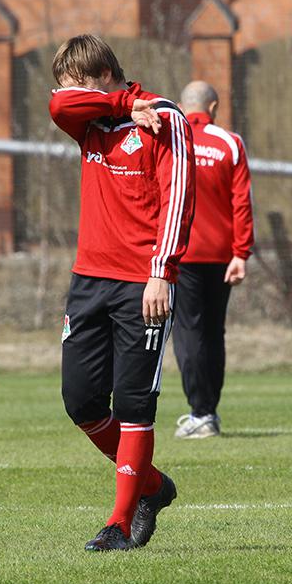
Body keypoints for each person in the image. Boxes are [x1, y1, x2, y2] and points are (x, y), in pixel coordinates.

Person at [48, 35, 195, 551]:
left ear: (100, 74)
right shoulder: (89, 119)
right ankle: (153, 485)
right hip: (88, 280)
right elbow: (57, 104)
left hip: (143, 282)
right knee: (80, 401)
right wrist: (122, 103)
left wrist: (162, 270)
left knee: (134, 403)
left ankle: (120, 520)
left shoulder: (166, 118)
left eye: (75, 84)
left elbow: (179, 197)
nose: (69, 96)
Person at [171, 81, 254, 439]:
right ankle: (210, 412)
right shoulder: (230, 143)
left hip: (181, 253)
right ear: (214, 107)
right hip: (222, 256)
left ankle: (200, 412)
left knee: (188, 331)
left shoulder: (170, 142)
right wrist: (241, 253)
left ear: (180, 106)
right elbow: (242, 202)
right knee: (212, 333)